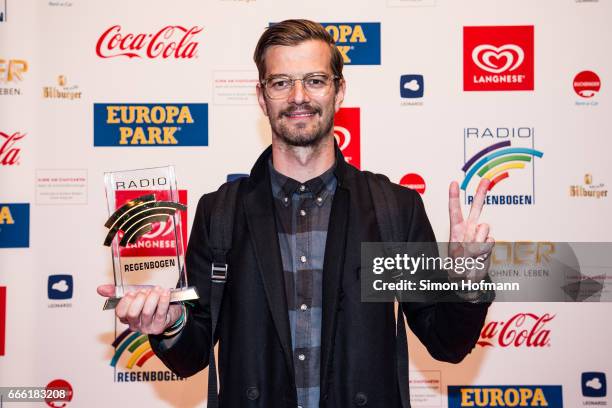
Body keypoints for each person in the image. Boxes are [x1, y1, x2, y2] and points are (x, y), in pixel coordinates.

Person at [98, 19, 494, 408]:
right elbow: (193, 352)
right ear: (261, 96)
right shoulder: (219, 213)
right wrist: (170, 324)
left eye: (315, 80)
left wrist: (468, 278)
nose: (299, 96)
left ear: (339, 92)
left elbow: (447, 344)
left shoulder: (392, 209)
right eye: (281, 82)